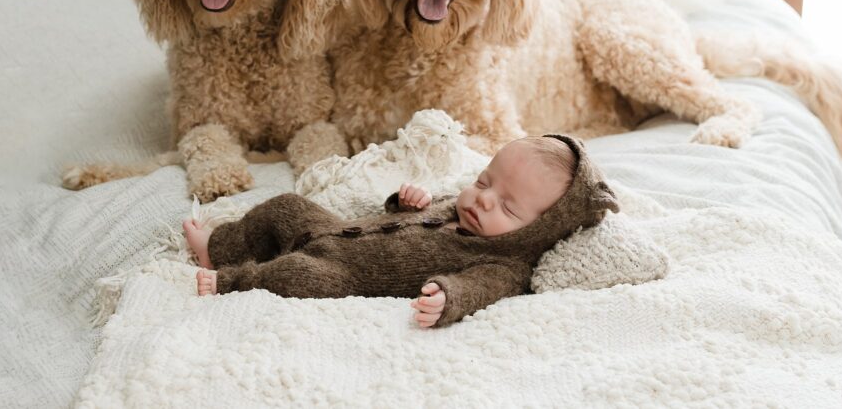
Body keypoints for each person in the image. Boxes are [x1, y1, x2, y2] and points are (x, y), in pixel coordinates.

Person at [184, 134, 618, 328]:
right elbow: (397, 220)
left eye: (506, 206)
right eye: (485, 181)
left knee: (295, 276)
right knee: (284, 207)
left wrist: (447, 299)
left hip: (346, 275)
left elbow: (477, 291)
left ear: (538, 232)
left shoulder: (504, 263)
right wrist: (404, 204)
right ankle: (220, 246)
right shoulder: (462, 207)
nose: (482, 199)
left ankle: (232, 279)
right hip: (335, 231)